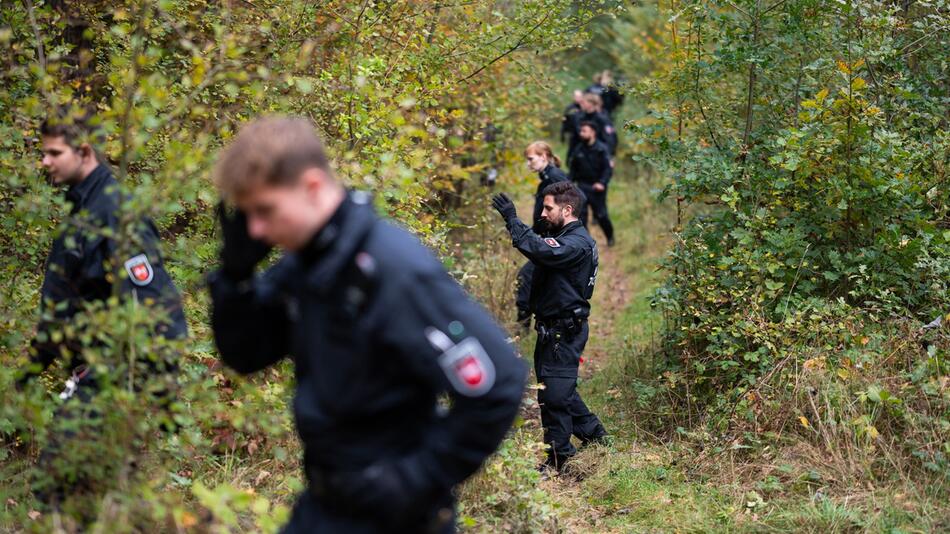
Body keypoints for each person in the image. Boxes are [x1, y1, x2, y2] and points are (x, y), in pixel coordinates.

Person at [207, 116, 526, 533]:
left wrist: (413, 480)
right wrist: (235, 279)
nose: (257, 229)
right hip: (326, 506)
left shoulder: (393, 268)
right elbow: (245, 354)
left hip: (397, 515)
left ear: (313, 186)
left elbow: (498, 381)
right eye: (248, 215)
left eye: (265, 210)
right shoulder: (308, 265)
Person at [17, 110, 188, 505]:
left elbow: (155, 307)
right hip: (91, 377)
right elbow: (66, 304)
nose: (44, 162)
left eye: (54, 153)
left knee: (55, 493)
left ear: (84, 151)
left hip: (110, 383)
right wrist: (33, 369)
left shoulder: (114, 213)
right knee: (96, 503)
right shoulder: (84, 210)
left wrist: (157, 393)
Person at [491, 182, 608, 471]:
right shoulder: (565, 235)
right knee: (557, 388)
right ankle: (595, 435)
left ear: (567, 210)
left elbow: (543, 251)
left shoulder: (576, 242)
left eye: (548, 208)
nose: (543, 213)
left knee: (554, 396)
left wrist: (512, 220)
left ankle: (559, 459)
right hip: (552, 329)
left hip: (563, 331)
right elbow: (540, 250)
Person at [516, 142, 572, 328]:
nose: (528, 164)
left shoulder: (555, 177)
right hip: (548, 238)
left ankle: (522, 328)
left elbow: (575, 202)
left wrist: (558, 235)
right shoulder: (546, 177)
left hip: (555, 240)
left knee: (526, 277)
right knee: (539, 280)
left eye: (531, 159)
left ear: (544, 156)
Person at [569, 122, 616, 247]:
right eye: (581, 131)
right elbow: (573, 170)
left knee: (601, 215)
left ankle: (610, 237)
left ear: (593, 132)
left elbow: (608, 169)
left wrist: (602, 183)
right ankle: (586, 242)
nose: (581, 133)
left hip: (597, 188)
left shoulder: (601, 149)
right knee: (581, 217)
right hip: (581, 186)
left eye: (584, 131)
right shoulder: (578, 149)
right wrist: (569, 184)